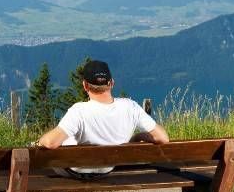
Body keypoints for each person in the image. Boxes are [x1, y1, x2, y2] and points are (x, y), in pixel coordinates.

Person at [36, 60, 168, 182]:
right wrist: (138, 136)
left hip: (74, 170)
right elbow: (163, 138)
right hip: (107, 169)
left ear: (85, 85)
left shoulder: (79, 111)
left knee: (50, 150)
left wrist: (38, 142)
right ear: (111, 83)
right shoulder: (130, 107)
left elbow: (50, 143)